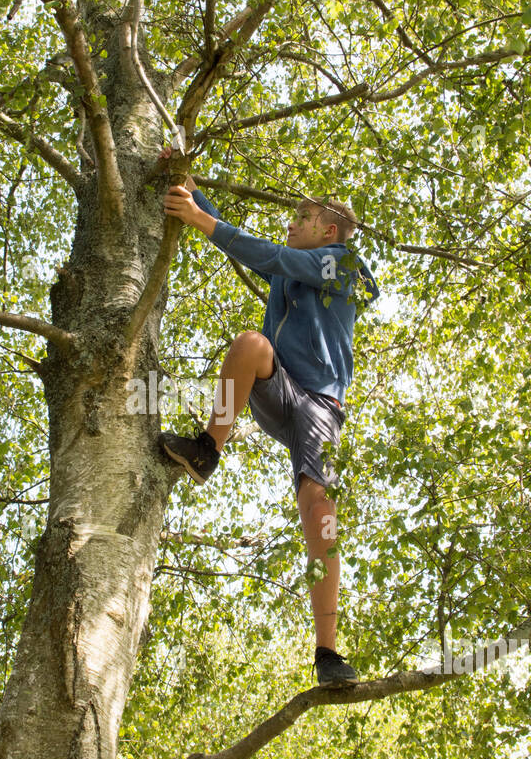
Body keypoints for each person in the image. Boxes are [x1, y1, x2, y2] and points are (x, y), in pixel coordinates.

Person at [157, 161, 379, 687]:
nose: (290, 224)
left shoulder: (343, 265)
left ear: (328, 232)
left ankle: (327, 653)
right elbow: (249, 249)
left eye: (301, 218)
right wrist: (194, 195)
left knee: (317, 504)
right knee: (250, 344)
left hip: (321, 405)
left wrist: (201, 219)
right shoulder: (287, 267)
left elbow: (275, 254)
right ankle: (208, 449)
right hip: (278, 390)